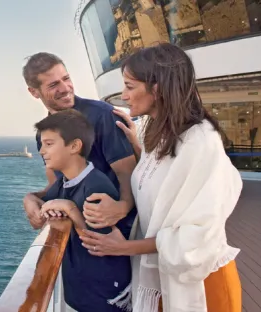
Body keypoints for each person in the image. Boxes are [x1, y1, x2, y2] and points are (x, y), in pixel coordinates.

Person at [78, 43, 243, 312]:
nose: (124, 95)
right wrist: (137, 146)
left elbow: (197, 238)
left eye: (130, 86)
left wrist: (123, 247)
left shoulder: (201, 141)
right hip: (163, 282)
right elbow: (162, 182)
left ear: (157, 89)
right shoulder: (158, 134)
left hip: (202, 286)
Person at [21, 52, 137, 231]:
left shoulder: (103, 115)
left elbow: (127, 172)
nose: (65, 88)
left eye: (66, 78)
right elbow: (57, 183)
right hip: (78, 231)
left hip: (116, 231)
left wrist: (123, 207)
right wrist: (32, 198)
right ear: (34, 92)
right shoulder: (44, 135)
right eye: (53, 85)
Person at [35, 110, 136, 311]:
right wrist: (30, 199)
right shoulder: (65, 182)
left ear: (74, 146)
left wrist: (70, 209)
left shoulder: (96, 187)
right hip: (84, 290)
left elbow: (99, 244)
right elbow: (43, 205)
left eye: (48, 144)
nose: (41, 151)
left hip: (104, 294)